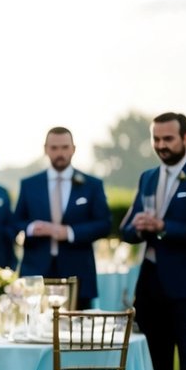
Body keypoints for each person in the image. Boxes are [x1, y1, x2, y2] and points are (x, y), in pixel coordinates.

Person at [120, 112, 186, 370]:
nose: (161, 145)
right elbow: (125, 229)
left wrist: (164, 226)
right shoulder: (148, 178)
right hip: (151, 285)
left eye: (168, 138)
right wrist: (140, 228)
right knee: (155, 360)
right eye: (156, 139)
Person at [13, 127, 111, 310]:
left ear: (73, 149)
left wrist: (70, 232)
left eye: (65, 147)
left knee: (77, 334)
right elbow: (15, 222)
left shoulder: (92, 185)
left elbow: (105, 224)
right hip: (36, 273)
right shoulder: (29, 185)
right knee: (32, 331)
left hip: (78, 274)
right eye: (55, 148)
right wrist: (32, 228)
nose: (60, 153)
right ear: (46, 149)